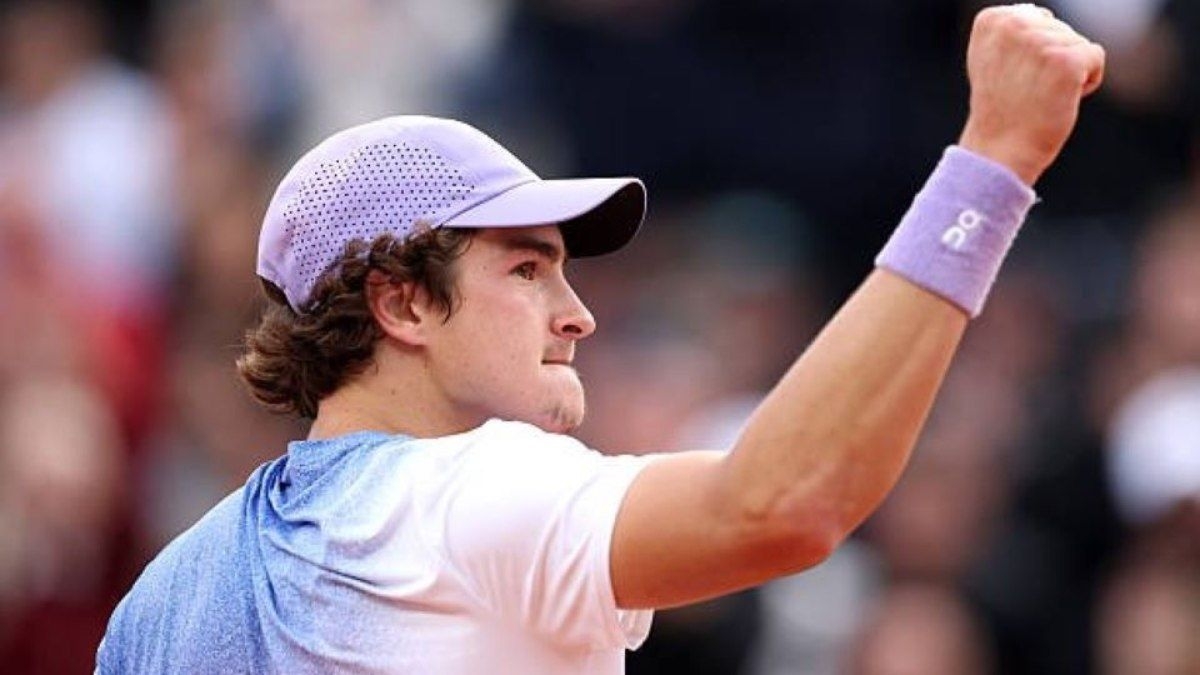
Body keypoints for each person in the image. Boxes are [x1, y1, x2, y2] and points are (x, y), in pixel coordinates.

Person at [95, 4, 1105, 673]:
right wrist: (994, 160)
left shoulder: (159, 598)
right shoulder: (459, 495)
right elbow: (787, 505)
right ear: (400, 305)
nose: (577, 313)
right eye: (527, 270)